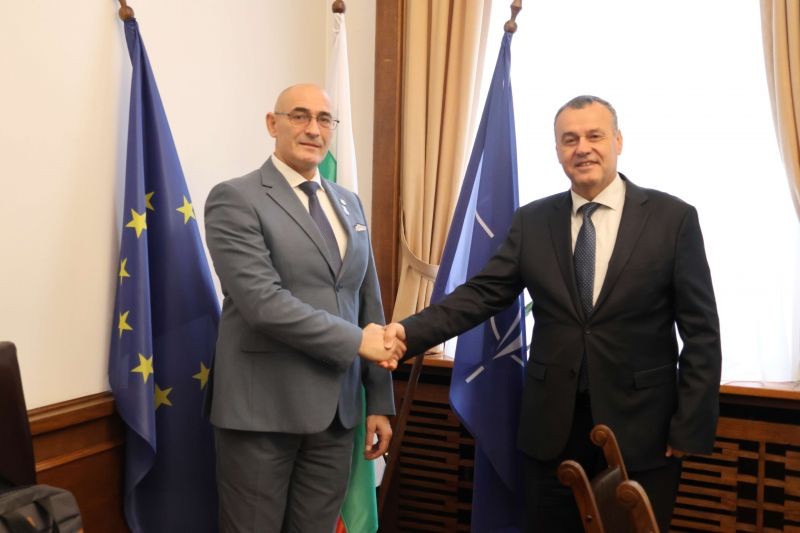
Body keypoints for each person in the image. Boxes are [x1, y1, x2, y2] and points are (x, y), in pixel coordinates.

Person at [382, 95, 722, 532]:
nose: (583, 148)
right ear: (558, 149)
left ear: (618, 141)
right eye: (569, 139)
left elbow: (701, 332)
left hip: (644, 432)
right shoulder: (533, 221)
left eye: (595, 136)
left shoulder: (672, 219)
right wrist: (406, 333)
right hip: (551, 432)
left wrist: (690, 426)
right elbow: (482, 294)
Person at [204, 83, 400, 533]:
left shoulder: (349, 202)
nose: (313, 128)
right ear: (272, 124)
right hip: (262, 412)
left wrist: (378, 400)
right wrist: (357, 342)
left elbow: (367, 299)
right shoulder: (235, 198)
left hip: (337, 414)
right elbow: (263, 302)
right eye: (299, 116)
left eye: (324, 119)